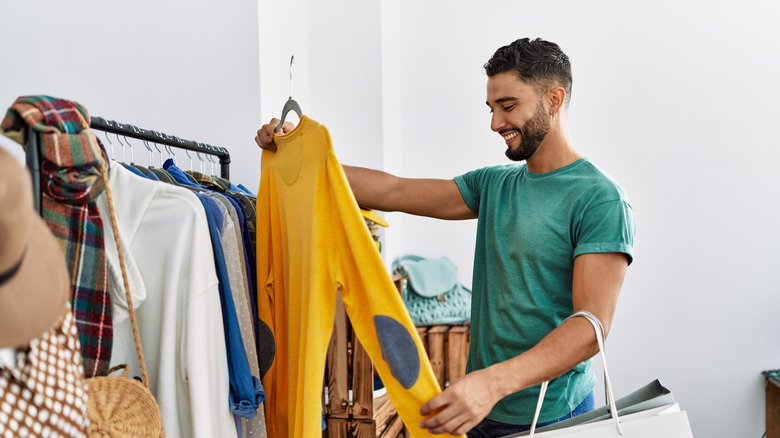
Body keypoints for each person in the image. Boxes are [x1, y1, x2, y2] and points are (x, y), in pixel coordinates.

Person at [255, 37, 634, 437]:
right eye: (491, 109)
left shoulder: (601, 199)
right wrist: (300, 152)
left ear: (554, 100)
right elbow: (395, 191)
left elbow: (591, 325)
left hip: (555, 415)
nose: (495, 123)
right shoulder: (494, 185)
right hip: (480, 407)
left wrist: (491, 384)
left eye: (508, 106)